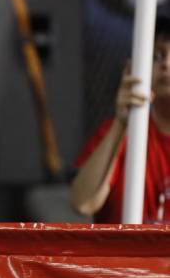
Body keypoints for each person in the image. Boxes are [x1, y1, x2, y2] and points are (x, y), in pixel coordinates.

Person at [70, 15, 170, 224]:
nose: (166, 64)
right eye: (157, 56)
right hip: (123, 256)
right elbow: (83, 203)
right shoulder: (118, 132)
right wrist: (121, 123)